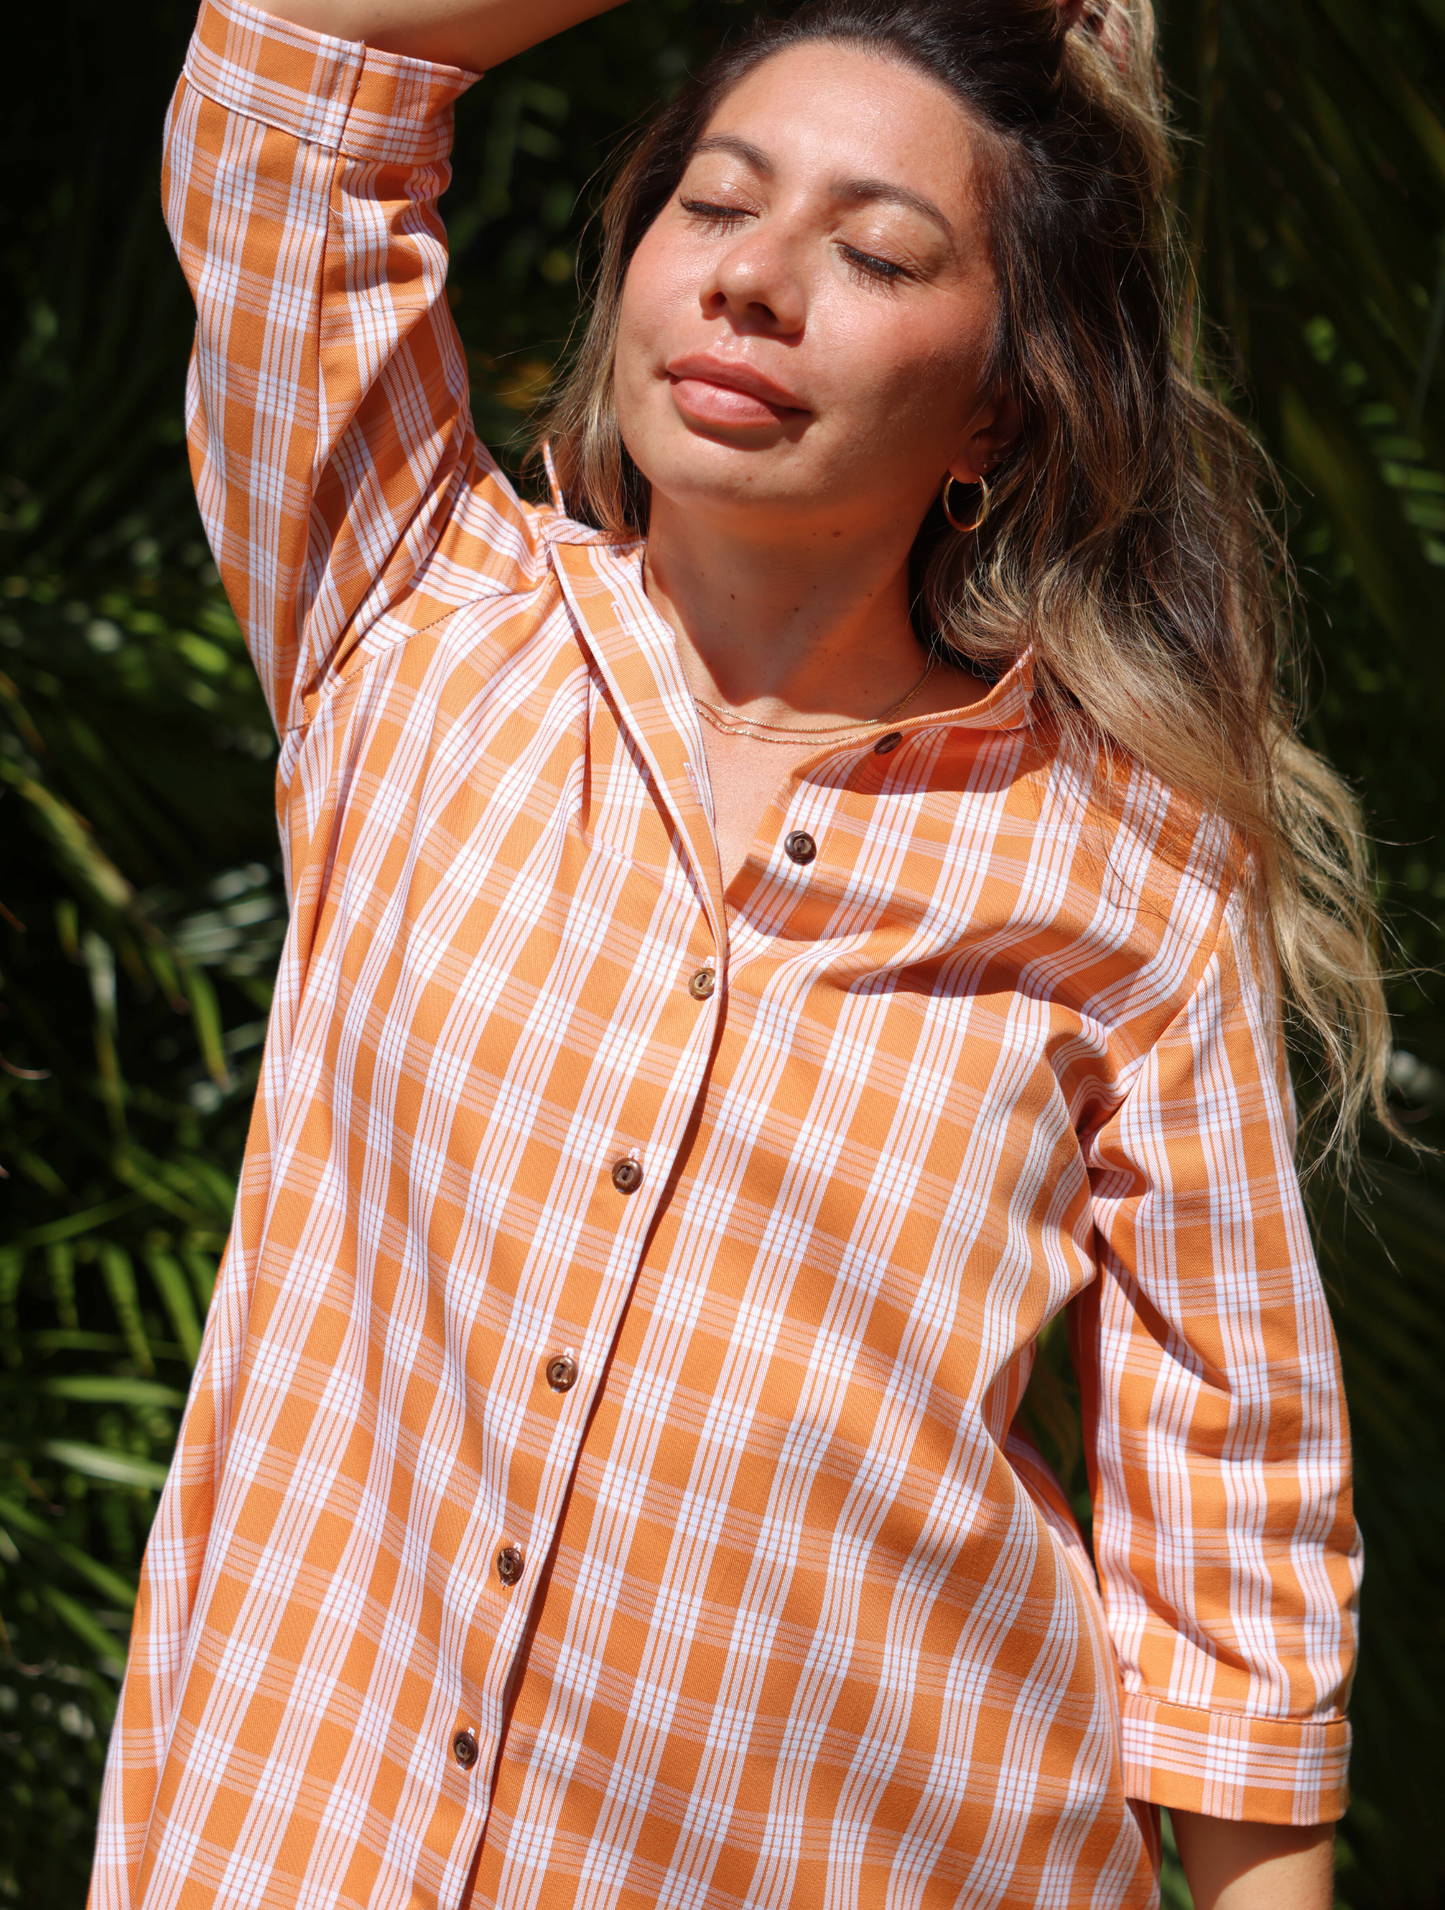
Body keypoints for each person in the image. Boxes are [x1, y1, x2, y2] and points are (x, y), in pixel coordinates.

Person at [90, 0, 1382, 1904]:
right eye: (714, 205)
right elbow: (295, 64)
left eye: (875, 253)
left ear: (1002, 407)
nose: (758, 283)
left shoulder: (1129, 872)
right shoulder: (410, 625)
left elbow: (1234, 1539)